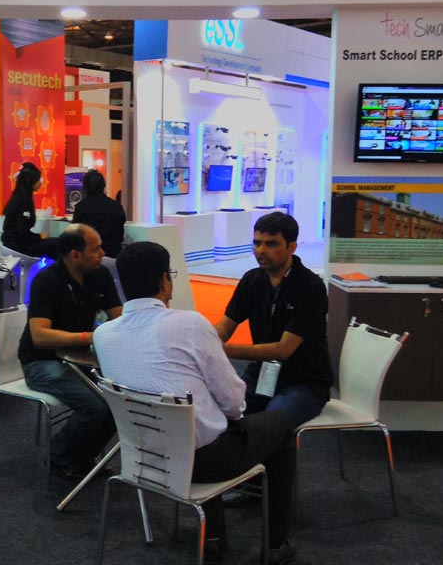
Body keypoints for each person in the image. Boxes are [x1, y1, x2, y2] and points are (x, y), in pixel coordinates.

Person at [94, 241, 297, 565]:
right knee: (278, 424)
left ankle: (213, 538)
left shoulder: (103, 335)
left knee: (200, 423)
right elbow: (234, 400)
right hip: (205, 462)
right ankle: (275, 545)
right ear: (165, 280)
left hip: (144, 457)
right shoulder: (190, 324)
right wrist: (227, 415)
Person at [18, 224, 122, 479]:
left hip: (81, 359)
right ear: (75, 255)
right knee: (95, 406)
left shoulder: (100, 275)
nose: (103, 253)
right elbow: (40, 336)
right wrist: (89, 337)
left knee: (120, 402)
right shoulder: (46, 281)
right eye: (96, 249)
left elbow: (118, 317)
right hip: (41, 362)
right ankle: (59, 455)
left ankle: (81, 457)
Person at [215, 212, 333, 427]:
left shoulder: (311, 287)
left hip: (304, 382)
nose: (261, 250)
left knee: (268, 424)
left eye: (271, 244)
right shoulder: (252, 280)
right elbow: (224, 326)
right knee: (217, 411)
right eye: (257, 243)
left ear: (291, 247)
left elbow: (283, 350)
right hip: (261, 375)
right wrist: (202, 337)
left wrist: (226, 350)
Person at [1, 163, 58, 258]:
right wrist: (39, 237)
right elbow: (23, 233)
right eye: (38, 180)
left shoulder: (16, 197)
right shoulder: (25, 201)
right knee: (60, 245)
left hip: (11, 243)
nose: (40, 183)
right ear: (30, 181)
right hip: (19, 246)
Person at [71, 169, 126, 257]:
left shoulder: (81, 207)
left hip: (89, 256)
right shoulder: (116, 206)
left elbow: (75, 234)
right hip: (113, 254)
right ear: (103, 186)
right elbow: (120, 232)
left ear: (85, 187)